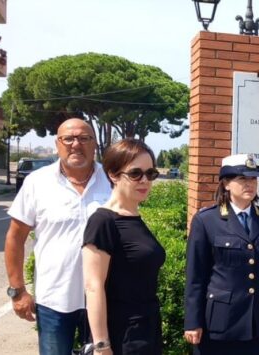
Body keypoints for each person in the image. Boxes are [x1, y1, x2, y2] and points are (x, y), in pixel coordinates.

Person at [4, 118, 112, 354]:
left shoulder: (112, 180)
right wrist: (17, 290)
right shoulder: (37, 182)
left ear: (95, 144)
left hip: (105, 299)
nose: (76, 144)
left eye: (84, 138)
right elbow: (15, 238)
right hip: (53, 301)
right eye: (68, 139)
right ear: (57, 144)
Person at [184, 154, 259, 355]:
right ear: (225, 183)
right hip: (220, 323)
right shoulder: (206, 221)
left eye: (253, 179)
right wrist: (192, 321)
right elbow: (195, 277)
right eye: (242, 179)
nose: (249, 184)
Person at [82, 138, 166, 355]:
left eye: (151, 174)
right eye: (135, 173)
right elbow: (93, 286)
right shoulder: (103, 221)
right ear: (113, 174)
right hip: (121, 336)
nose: (144, 180)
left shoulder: (134, 217)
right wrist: (101, 345)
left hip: (146, 330)